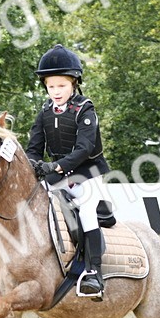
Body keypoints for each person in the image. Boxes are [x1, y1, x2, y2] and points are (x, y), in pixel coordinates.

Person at [27, 43, 111, 300]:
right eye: (51, 86)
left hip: (87, 172)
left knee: (85, 210)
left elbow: (85, 148)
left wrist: (55, 166)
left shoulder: (85, 108)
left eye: (61, 86)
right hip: (57, 175)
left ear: (74, 83)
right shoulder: (44, 111)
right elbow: (34, 147)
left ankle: (94, 274)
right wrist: (33, 165)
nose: (56, 91)